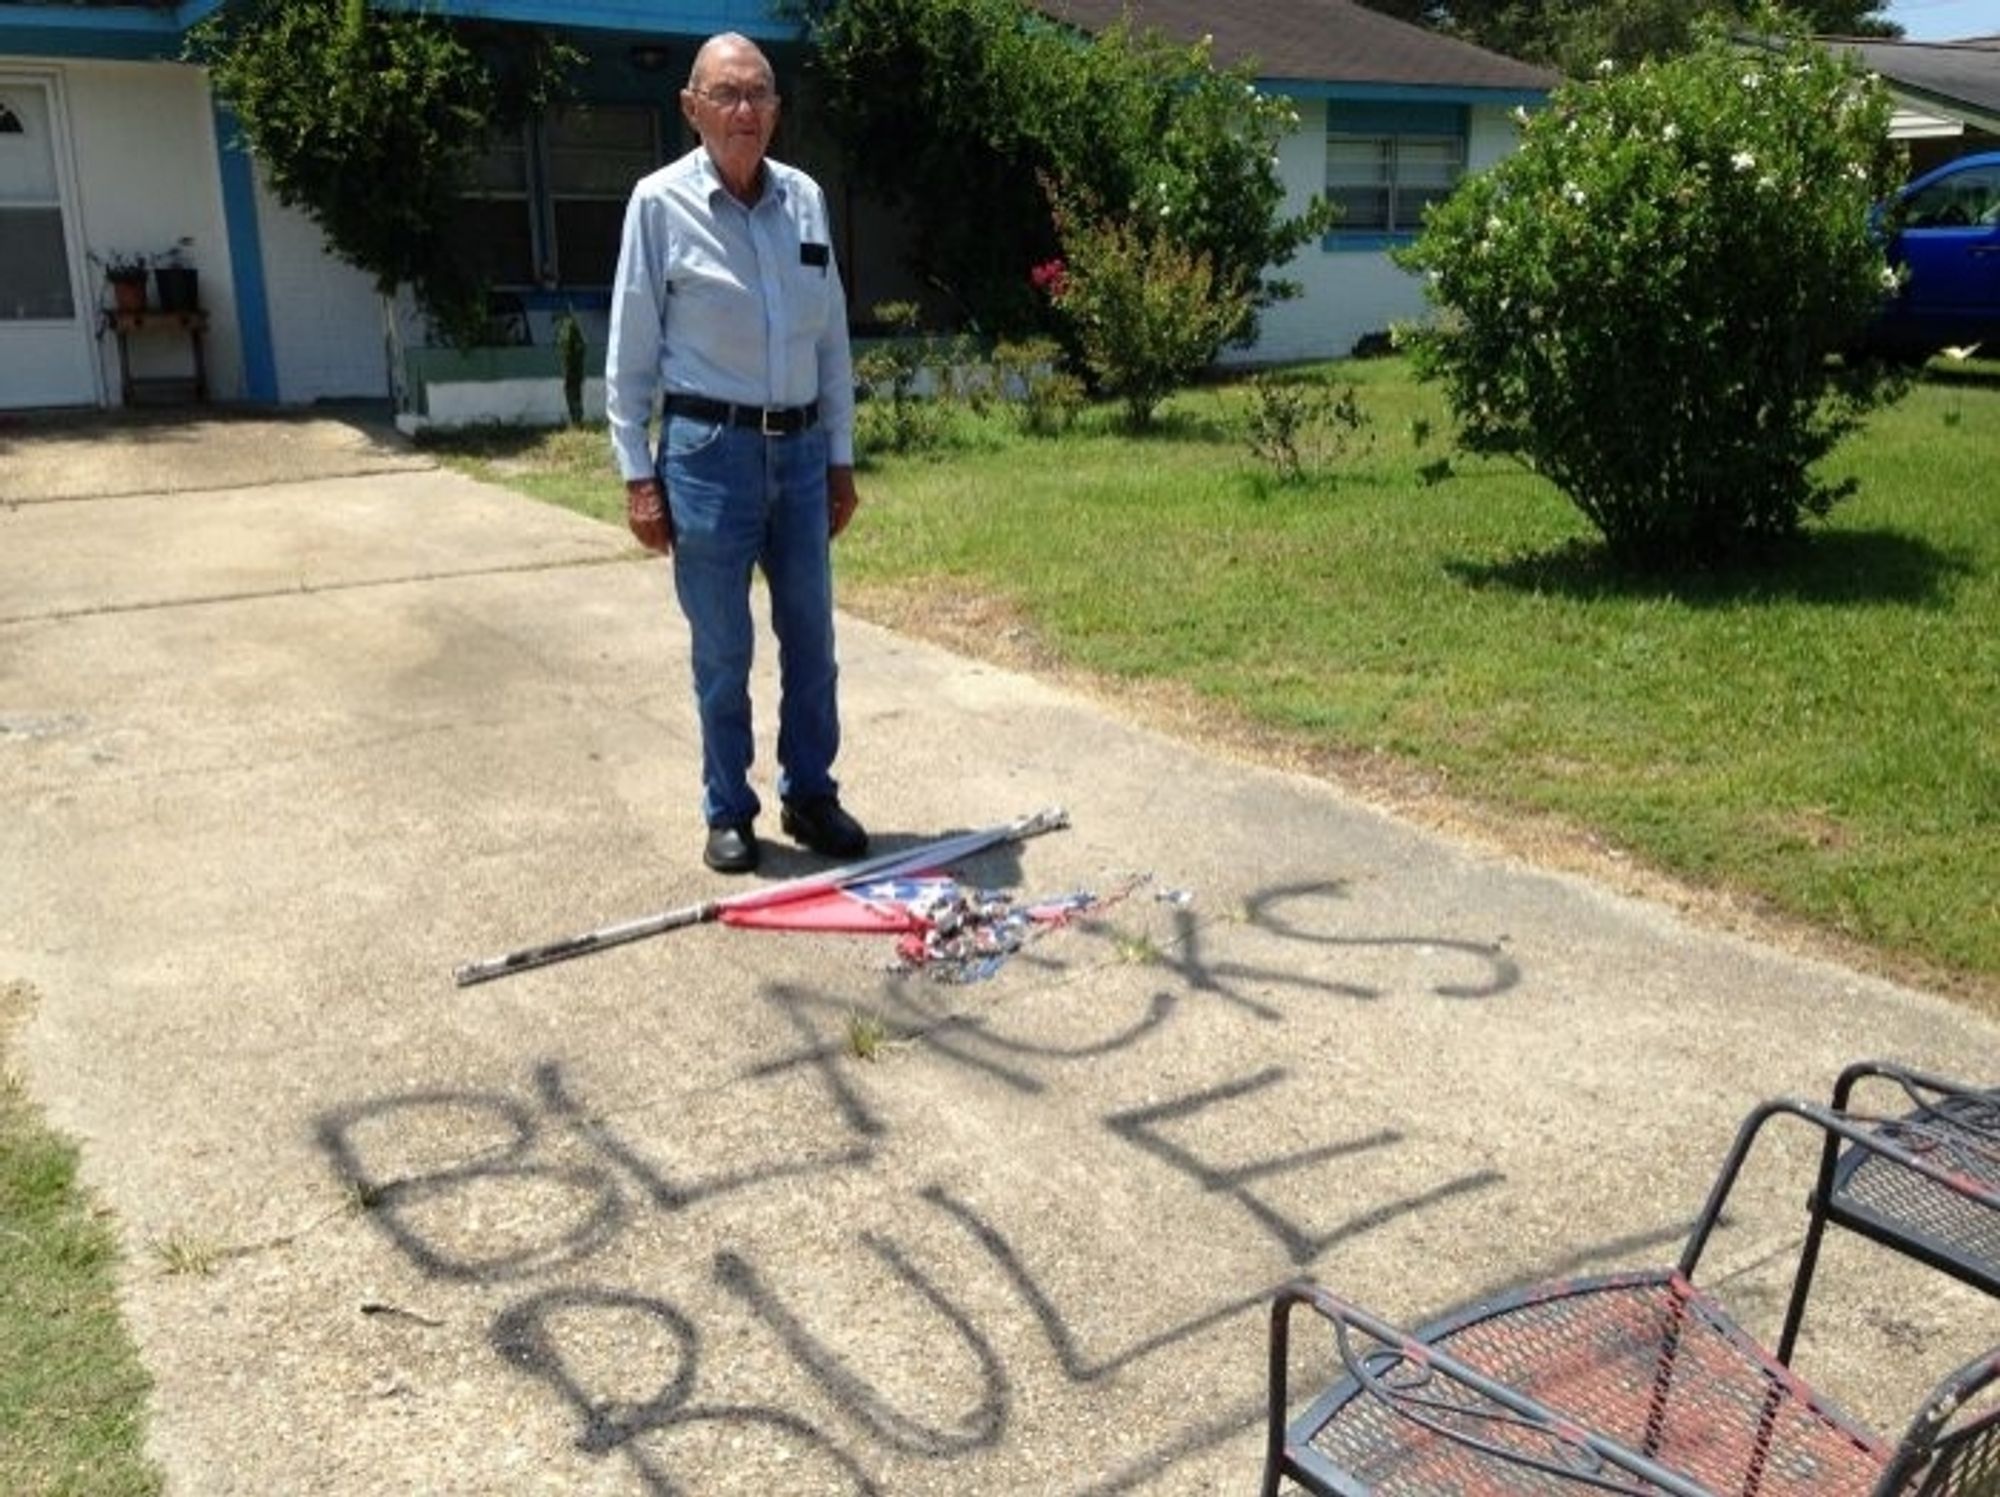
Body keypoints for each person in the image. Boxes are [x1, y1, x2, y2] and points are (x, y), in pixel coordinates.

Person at [606, 32, 867, 875]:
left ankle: (811, 792)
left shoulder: (805, 201)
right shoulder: (657, 204)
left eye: (759, 94)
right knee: (723, 649)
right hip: (706, 454)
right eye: (726, 94)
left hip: (797, 456)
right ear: (692, 108)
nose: (745, 111)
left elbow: (829, 341)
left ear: (777, 110)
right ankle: (729, 808)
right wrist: (638, 477)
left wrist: (839, 456)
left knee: (812, 642)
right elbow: (630, 355)